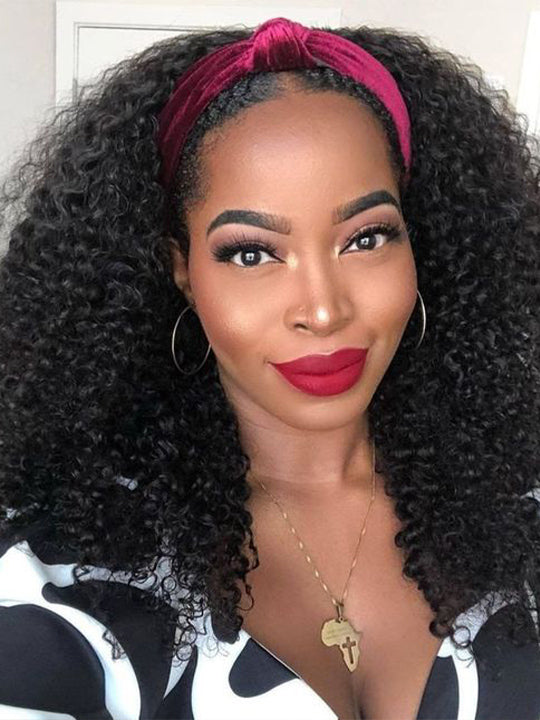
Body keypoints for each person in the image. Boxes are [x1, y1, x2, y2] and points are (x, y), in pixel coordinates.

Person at [0, 15, 538, 720]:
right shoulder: (58, 570)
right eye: (251, 253)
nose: (322, 310)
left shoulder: (520, 512)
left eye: (367, 238)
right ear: (182, 269)